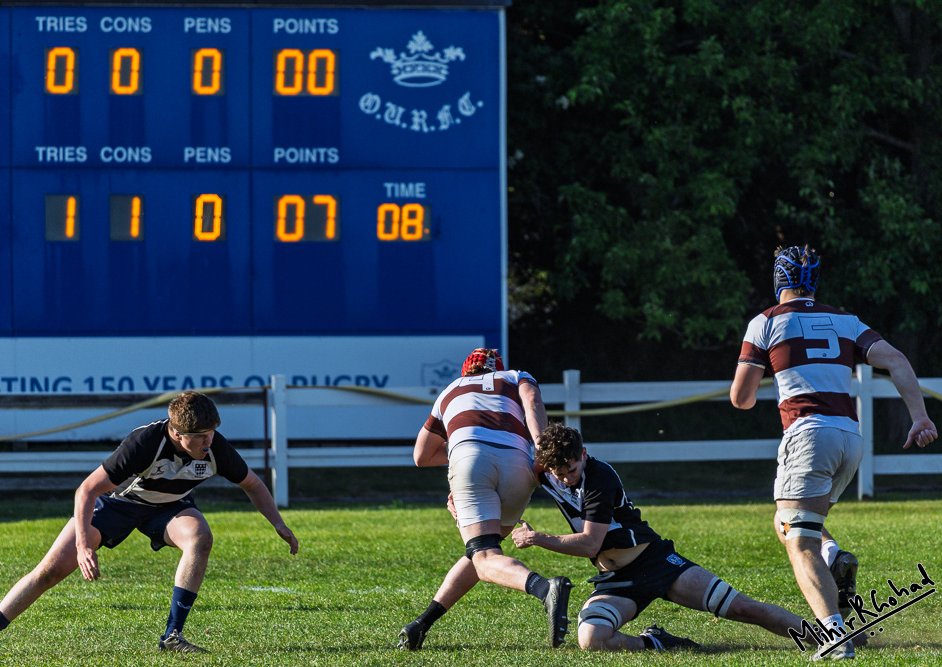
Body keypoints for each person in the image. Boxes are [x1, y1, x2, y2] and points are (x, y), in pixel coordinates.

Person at [0, 390, 299, 657]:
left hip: (168, 507)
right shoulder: (144, 443)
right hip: (118, 505)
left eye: (212, 434)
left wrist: (278, 524)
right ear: (178, 434)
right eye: (201, 437)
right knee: (49, 571)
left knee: (200, 537)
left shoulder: (216, 448)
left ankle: (172, 636)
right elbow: (86, 490)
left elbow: (252, 484)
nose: (210, 442)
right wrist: (84, 545)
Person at [730, 244, 938, 660]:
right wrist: (920, 417)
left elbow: (741, 398)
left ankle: (834, 637)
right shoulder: (845, 320)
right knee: (788, 523)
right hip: (850, 439)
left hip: (809, 435)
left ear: (778, 280)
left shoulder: (765, 322)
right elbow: (895, 359)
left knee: (798, 539)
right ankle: (833, 556)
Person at [510, 422, 816, 653]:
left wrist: (535, 537)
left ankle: (827, 636)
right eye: (559, 473)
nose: (566, 478)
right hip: (616, 579)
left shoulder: (599, 477)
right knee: (592, 638)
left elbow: (591, 543)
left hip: (655, 562)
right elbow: (506, 474)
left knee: (744, 608)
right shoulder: (546, 471)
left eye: (572, 470)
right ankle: (656, 642)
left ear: (584, 454)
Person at [397, 348, 573, 651]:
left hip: (469, 460)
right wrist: (544, 450)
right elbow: (532, 402)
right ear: (497, 369)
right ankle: (422, 623)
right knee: (485, 552)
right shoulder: (516, 376)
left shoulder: (450, 390)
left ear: (467, 372)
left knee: (484, 556)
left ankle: (546, 589)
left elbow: (421, 456)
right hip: (519, 465)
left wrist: (463, 456)